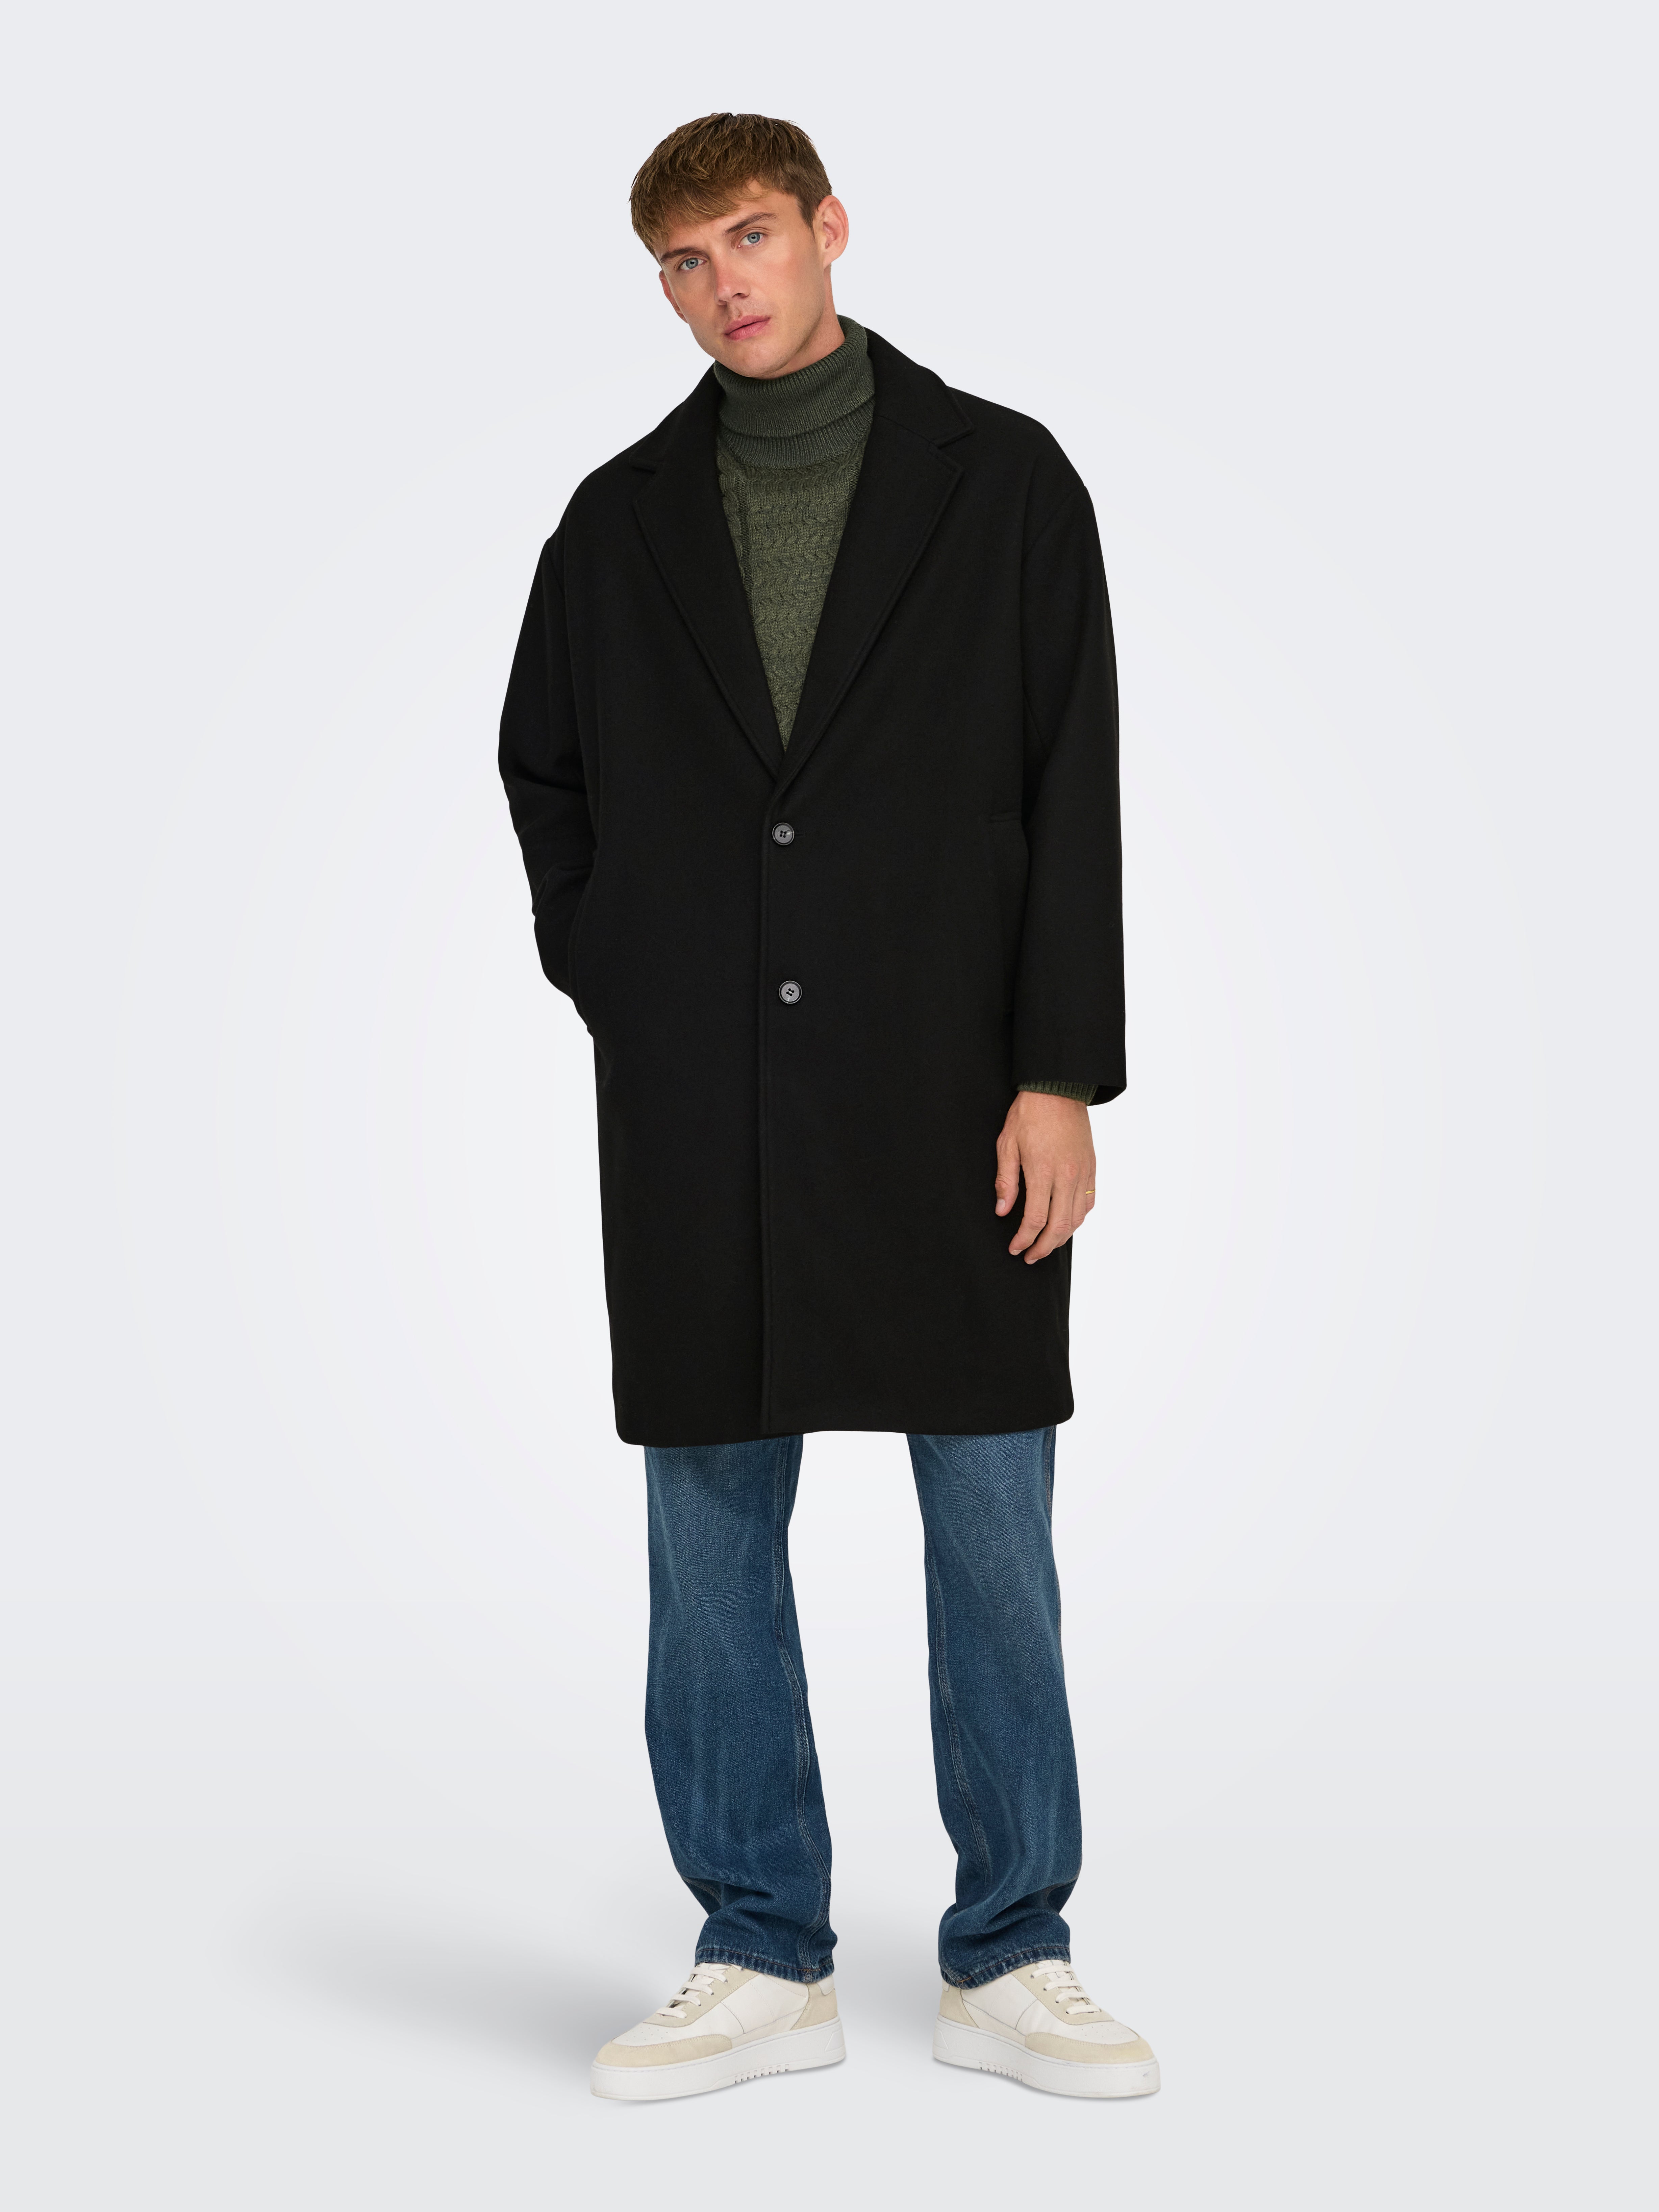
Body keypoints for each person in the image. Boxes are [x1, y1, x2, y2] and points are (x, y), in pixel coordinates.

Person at [499, 111, 1156, 2103]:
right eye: (685, 262)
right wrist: (626, 967)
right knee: (709, 1514)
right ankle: (759, 1946)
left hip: (954, 1084)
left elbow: (1070, 779)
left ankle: (1013, 1945)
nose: (727, 286)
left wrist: (1060, 1070)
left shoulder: (1003, 482)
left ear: (830, 228)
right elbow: (546, 769)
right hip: (703, 1092)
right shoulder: (618, 521)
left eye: (753, 237)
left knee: (991, 1511)